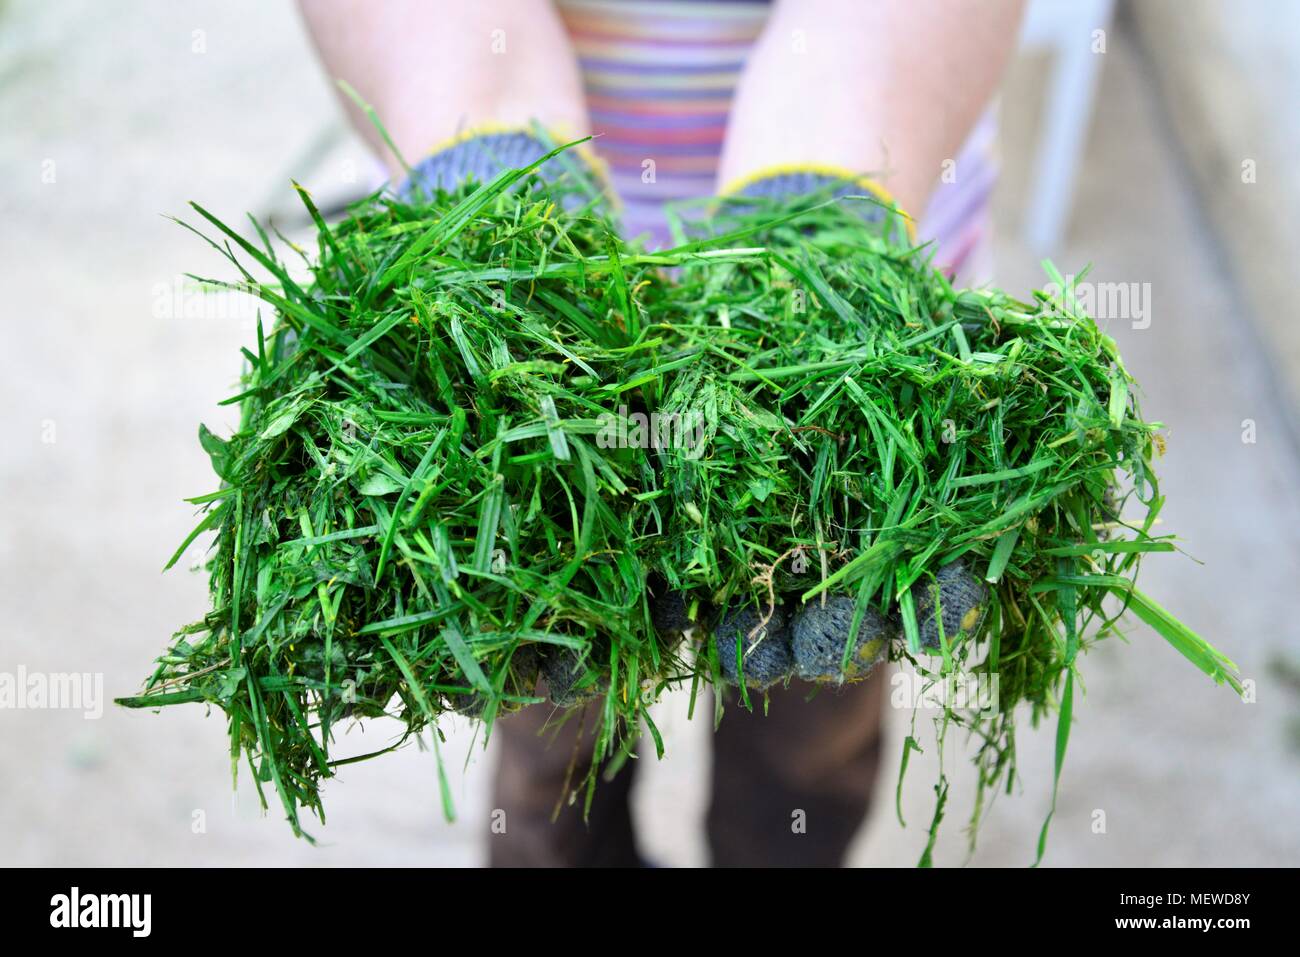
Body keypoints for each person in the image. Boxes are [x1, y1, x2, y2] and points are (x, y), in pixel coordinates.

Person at [299, 0, 1025, 867]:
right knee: (550, 705)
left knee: (810, 714)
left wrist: (814, 227)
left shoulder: (840, 328)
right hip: (542, 362)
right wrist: (495, 177)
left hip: (848, 311)